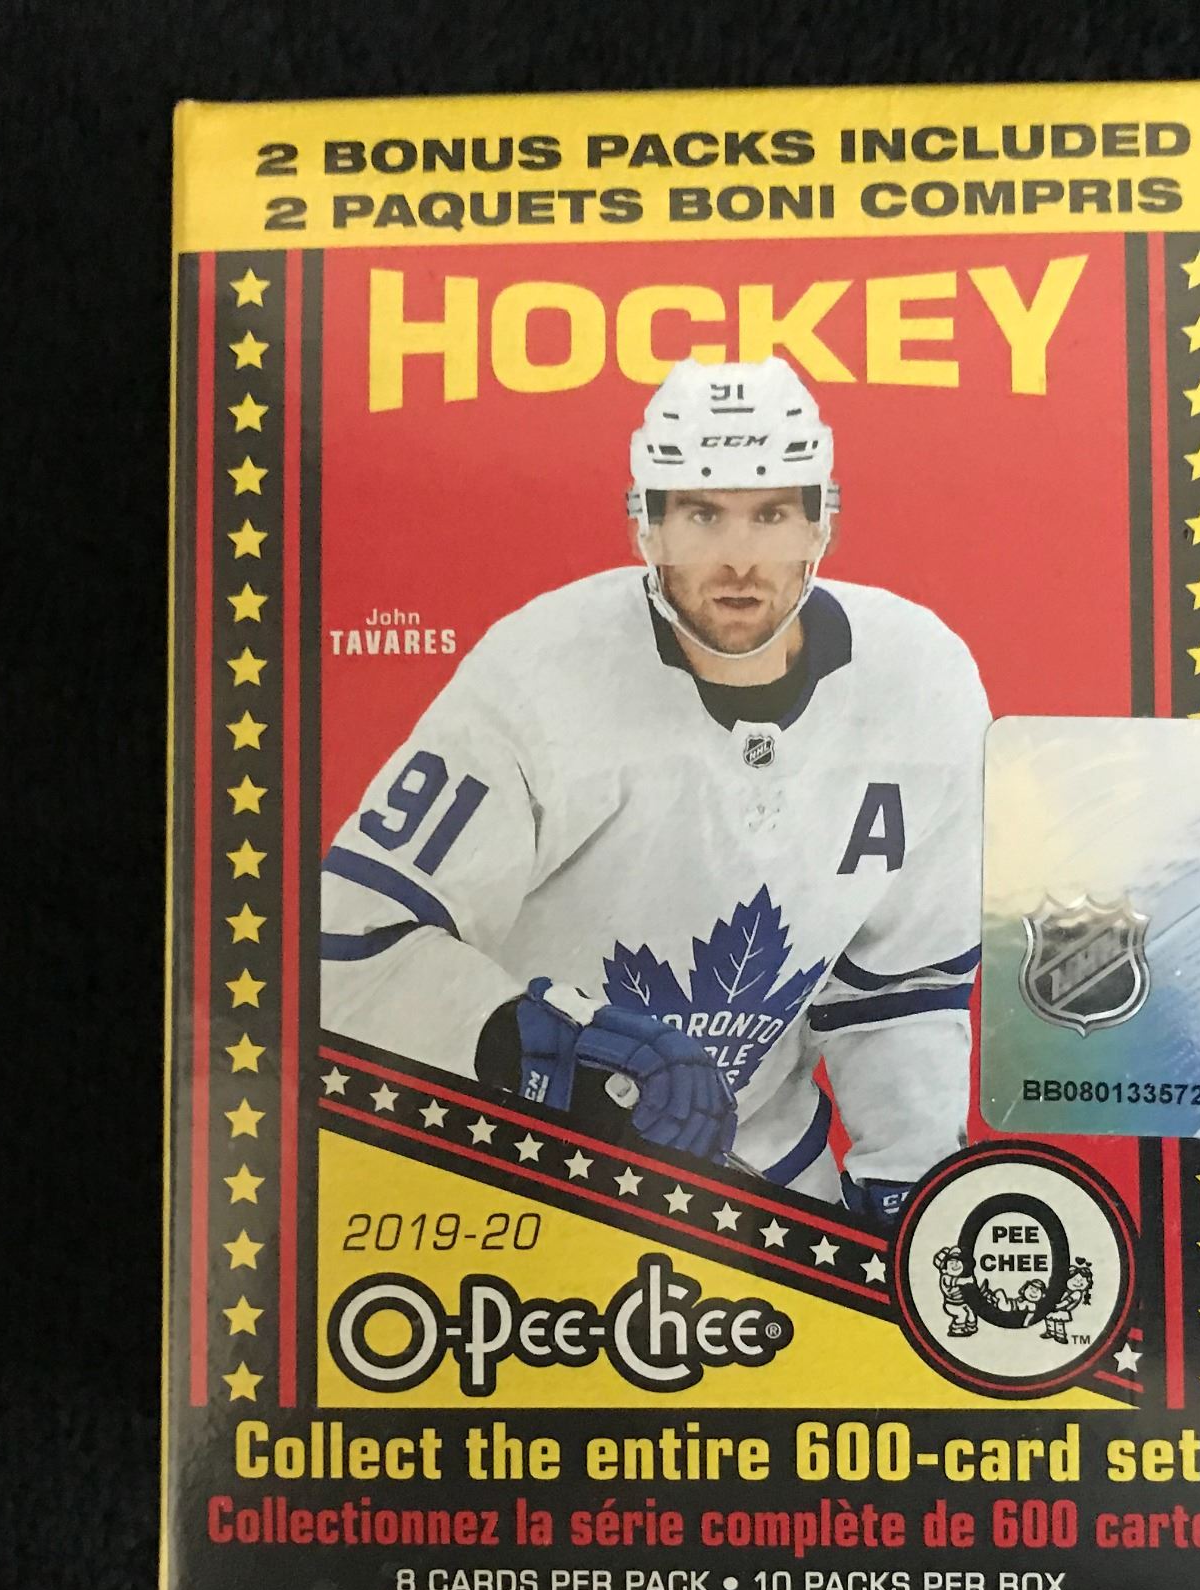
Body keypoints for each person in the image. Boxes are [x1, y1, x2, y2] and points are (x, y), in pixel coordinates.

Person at [320, 356, 988, 1233]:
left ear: (821, 522)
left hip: (776, 1189)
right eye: (703, 515)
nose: (739, 558)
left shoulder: (923, 681)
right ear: (647, 525)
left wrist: (909, 1190)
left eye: (771, 514)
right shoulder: (541, 672)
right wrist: (541, 1043)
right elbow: (349, 939)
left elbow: (900, 986)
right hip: (534, 1173)